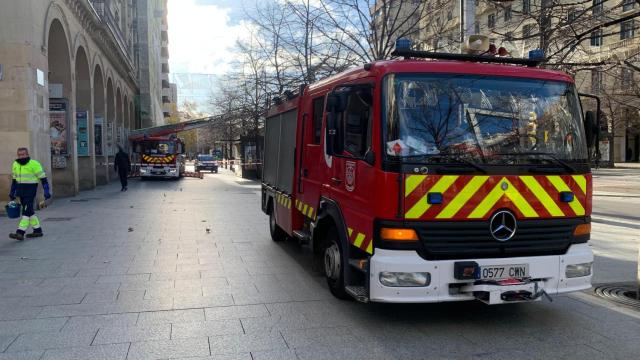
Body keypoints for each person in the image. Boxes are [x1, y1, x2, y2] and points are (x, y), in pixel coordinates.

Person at [8, 147, 51, 241]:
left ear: (27, 154)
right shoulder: (15, 164)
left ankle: (20, 232)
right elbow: (14, 180)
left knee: (26, 211)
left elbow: (43, 179)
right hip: (20, 191)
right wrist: (12, 192)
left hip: (30, 191)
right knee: (30, 211)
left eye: (23, 154)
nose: (21, 156)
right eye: (19, 155)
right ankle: (37, 230)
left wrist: (46, 191)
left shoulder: (34, 164)